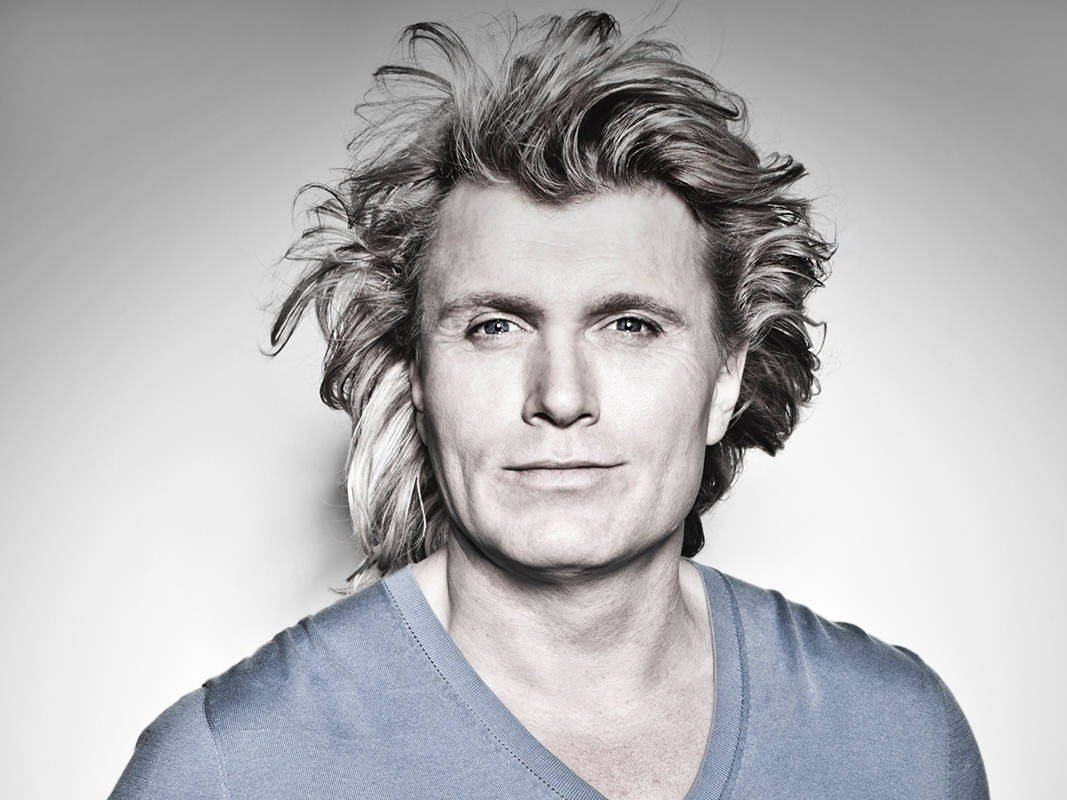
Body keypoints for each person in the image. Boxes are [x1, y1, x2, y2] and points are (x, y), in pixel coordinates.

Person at [110, 10, 988, 799]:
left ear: (726, 379)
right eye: (494, 327)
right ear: (417, 377)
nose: (561, 397)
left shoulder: (899, 738)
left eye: (631, 326)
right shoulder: (228, 770)